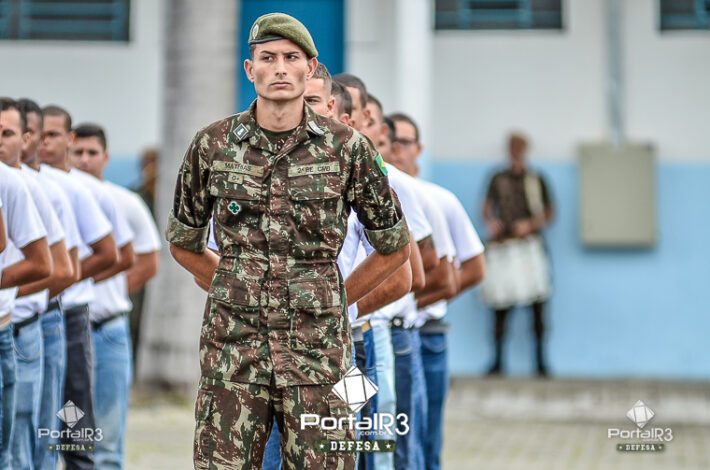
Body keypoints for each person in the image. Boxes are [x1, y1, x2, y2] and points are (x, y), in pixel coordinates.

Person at [166, 13, 411, 469]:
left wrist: (335, 298)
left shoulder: (348, 148)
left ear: (310, 68)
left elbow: (394, 245)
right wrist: (233, 284)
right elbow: (183, 241)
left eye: (291, 58)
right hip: (233, 354)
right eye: (268, 58)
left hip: (321, 356)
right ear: (250, 69)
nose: (279, 68)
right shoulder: (212, 145)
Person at [70, 123, 157, 469]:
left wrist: (111, 292)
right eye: (78, 152)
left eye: (91, 153)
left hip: (107, 329)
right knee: (67, 432)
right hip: (66, 329)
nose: (84, 160)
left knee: (107, 438)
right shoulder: (58, 196)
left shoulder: (125, 202)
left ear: (105, 157)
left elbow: (148, 262)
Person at [40, 105, 117, 469]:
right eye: (37, 134)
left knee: (73, 416)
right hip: (30, 315)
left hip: (69, 316)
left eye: (52, 134)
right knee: (35, 416)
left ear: (68, 139)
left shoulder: (78, 189)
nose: (43, 142)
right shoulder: (26, 181)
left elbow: (111, 253)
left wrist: (60, 280)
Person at [0, 99, 53, 470]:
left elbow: (51, 265)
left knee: (17, 451)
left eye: (7, 133)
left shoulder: (17, 185)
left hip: (20, 327)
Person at [481, 132, 554, 377]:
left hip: (529, 245)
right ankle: (497, 360)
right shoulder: (498, 178)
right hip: (503, 246)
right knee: (500, 303)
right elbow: (486, 208)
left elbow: (549, 212)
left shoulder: (536, 179)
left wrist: (530, 225)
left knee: (537, 303)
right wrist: (492, 223)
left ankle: (540, 362)